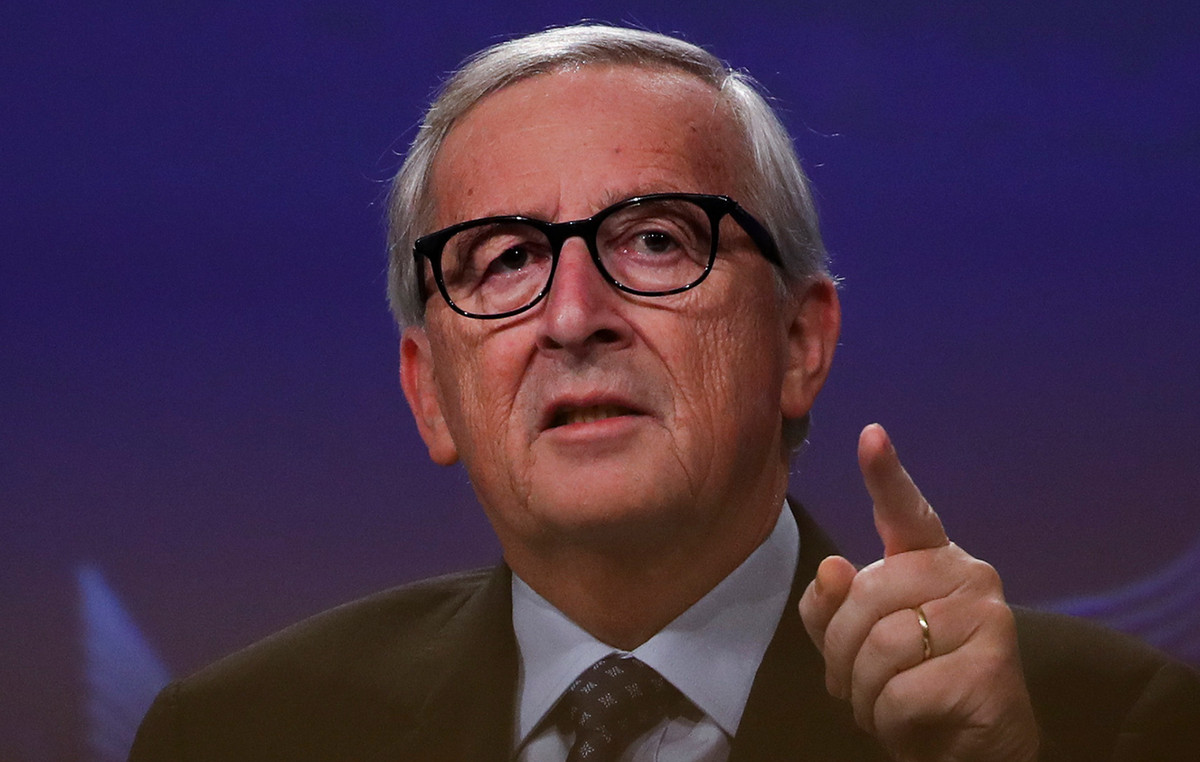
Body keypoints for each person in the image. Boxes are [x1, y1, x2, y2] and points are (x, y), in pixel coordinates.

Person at [129, 24, 1200, 761]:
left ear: (799, 340)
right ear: (431, 393)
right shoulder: (235, 736)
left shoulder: (1094, 725)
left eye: (654, 240)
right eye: (506, 259)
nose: (571, 316)